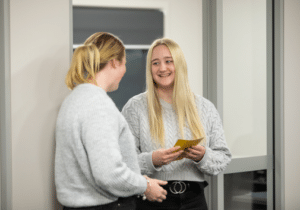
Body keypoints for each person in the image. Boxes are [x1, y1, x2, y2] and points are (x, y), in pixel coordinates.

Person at [55, 32, 168, 210]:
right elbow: (109, 174)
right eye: (124, 63)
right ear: (115, 62)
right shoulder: (98, 105)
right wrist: (145, 186)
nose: (125, 71)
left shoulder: (73, 100)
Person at [122, 38, 232, 210]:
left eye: (168, 61)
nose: (162, 68)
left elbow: (223, 159)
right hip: (152, 199)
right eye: (155, 63)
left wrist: (202, 156)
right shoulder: (135, 107)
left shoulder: (205, 108)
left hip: (195, 200)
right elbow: (123, 162)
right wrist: (152, 160)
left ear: (179, 65)